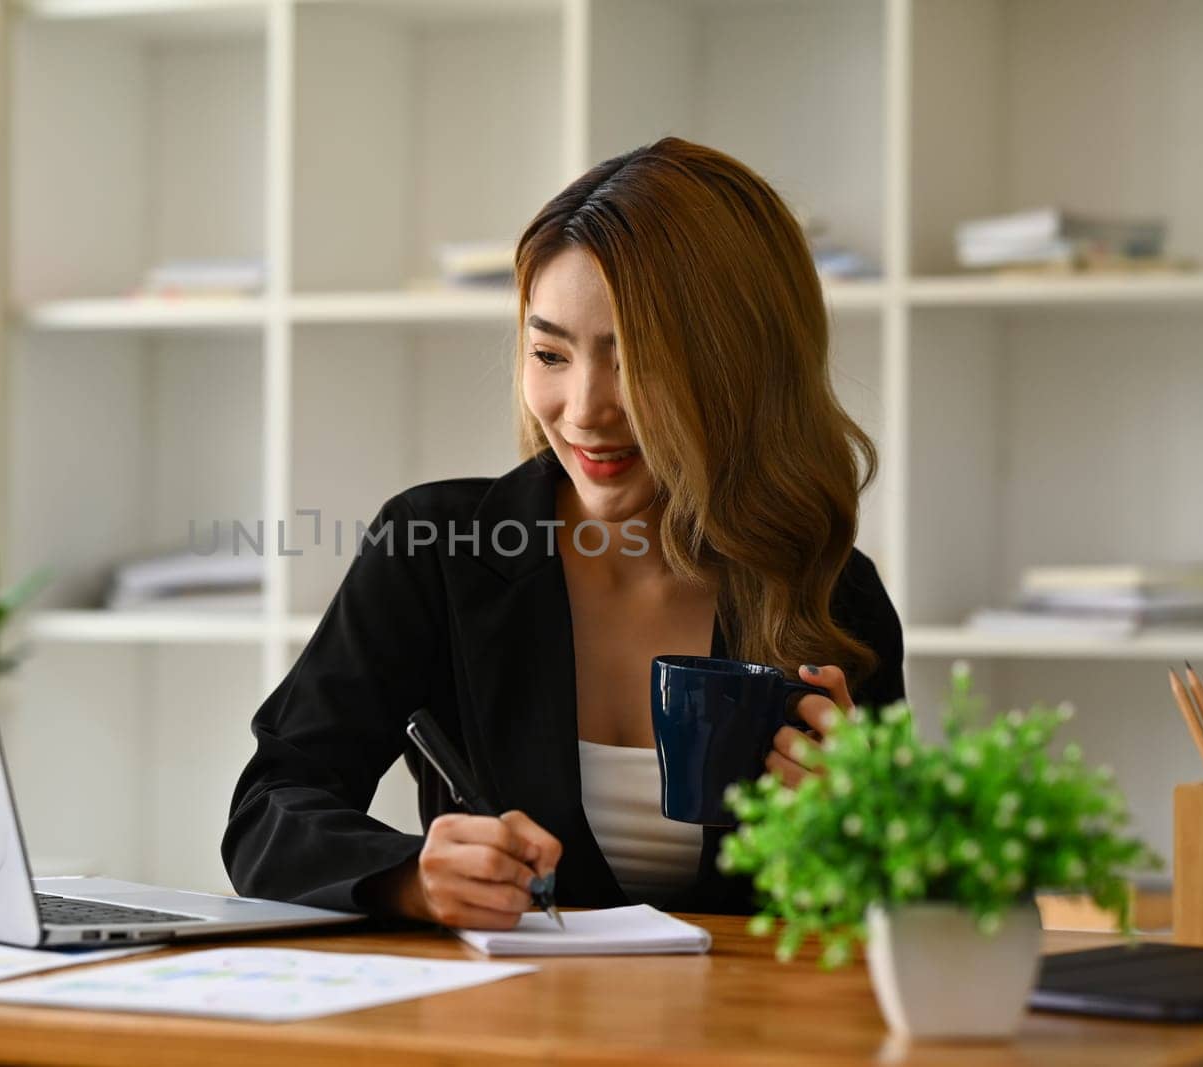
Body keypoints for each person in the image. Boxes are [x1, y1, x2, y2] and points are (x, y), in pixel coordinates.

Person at [222, 137, 905, 930]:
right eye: (550, 352)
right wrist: (412, 877)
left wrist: (853, 826)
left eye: (636, 361)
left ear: (740, 369)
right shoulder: (438, 547)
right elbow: (269, 811)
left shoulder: (831, 593)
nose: (584, 410)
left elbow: (906, 919)